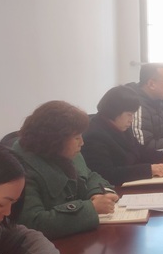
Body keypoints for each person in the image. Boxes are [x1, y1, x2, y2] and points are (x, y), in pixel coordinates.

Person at [13, 101, 119, 239]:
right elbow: (34, 222)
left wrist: (97, 194)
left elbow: (90, 176)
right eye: (76, 137)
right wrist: (91, 208)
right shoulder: (21, 169)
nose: (82, 142)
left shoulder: (62, 152)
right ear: (55, 140)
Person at [82, 86, 163, 186]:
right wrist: (148, 170)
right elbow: (106, 174)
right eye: (129, 115)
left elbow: (138, 150)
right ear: (115, 111)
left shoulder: (119, 125)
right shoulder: (94, 136)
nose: (131, 120)